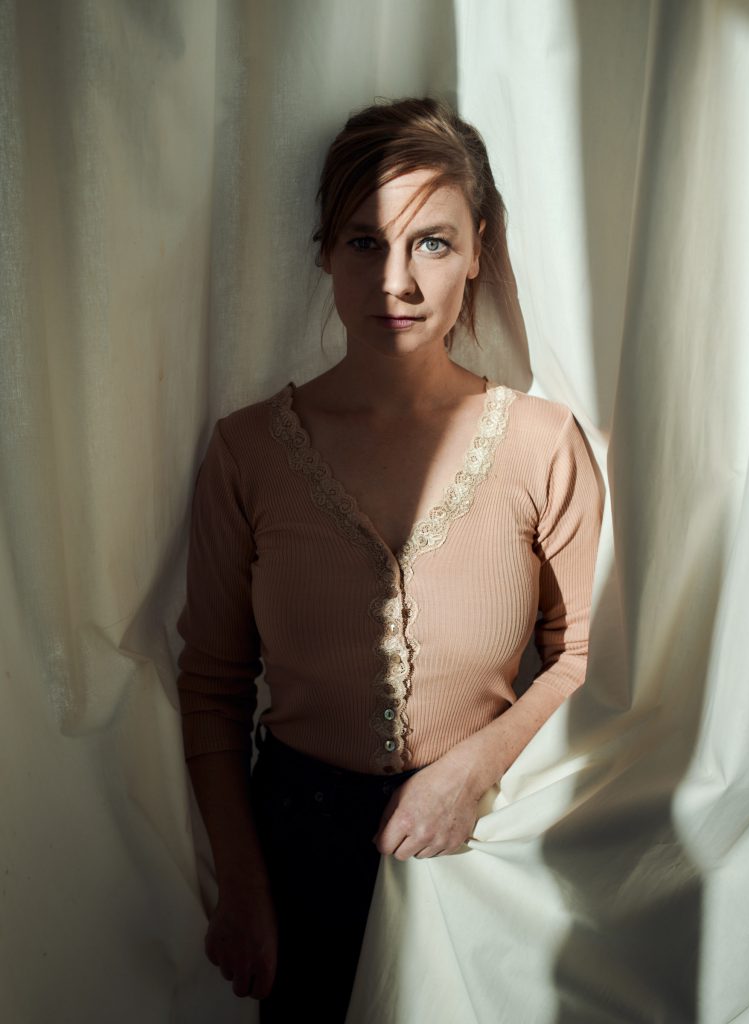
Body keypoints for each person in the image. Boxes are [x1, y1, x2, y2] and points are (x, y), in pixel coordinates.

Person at [176, 96, 603, 1022]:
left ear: (480, 250)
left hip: (488, 840)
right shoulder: (249, 452)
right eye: (365, 243)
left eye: (432, 243)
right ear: (325, 253)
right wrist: (242, 885)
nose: (395, 282)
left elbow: (582, 657)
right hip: (296, 854)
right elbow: (211, 683)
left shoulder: (543, 445)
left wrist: (472, 771)